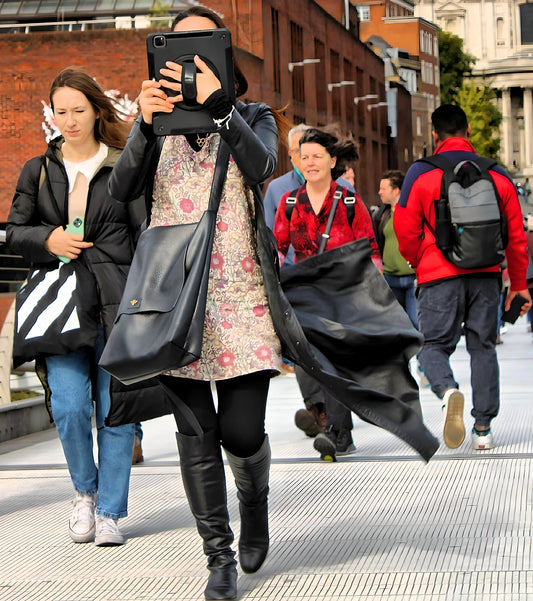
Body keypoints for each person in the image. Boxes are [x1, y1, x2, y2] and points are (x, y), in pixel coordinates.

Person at [106, 7, 285, 600]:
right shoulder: (156, 126)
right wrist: (141, 124)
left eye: (199, 43)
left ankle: (254, 501)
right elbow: (120, 191)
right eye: (175, 45)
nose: (186, 55)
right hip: (172, 299)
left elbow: (262, 166)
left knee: (239, 431)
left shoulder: (251, 114)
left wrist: (220, 108)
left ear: (223, 51)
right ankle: (219, 558)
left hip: (241, 299)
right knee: (195, 434)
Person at [6, 69, 140, 546]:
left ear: (97, 110)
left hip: (117, 301)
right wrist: (49, 238)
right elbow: (14, 232)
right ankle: (84, 493)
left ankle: (109, 512)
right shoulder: (36, 170)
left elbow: (146, 236)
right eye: (60, 111)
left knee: (116, 408)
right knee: (66, 403)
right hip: (61, 305)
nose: (69, 120)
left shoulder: (124, 165)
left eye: (78, 110)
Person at [394, 104, 531, 451]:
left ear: (434, 134)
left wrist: (417, 260)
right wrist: (518, 285)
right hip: (486, 276)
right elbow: (516, 236)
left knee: (431, 346)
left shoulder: (421, 174)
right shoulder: (497, 175)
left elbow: (404, 227)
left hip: (438, 276)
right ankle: (483, 427)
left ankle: (447, 389)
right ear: (468, 131)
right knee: (483, 346)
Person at [274, 127, 381, 462]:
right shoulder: (289, 202)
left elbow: (370, 249)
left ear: (332, 160)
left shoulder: (348, 199)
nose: (310, 163)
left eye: (317, 156)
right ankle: (339, 430)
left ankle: (338, 431)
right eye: (304, 157)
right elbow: (277, 249)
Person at [373, 170, 429, 388]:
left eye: (383, 188)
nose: (379, 192)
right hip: (390, 278)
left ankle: (424, 367)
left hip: (413, 279)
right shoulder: (381, 215)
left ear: (397, 190)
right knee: (395, 328)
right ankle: (400, 373)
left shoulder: (413, 212)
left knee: (417, 324)